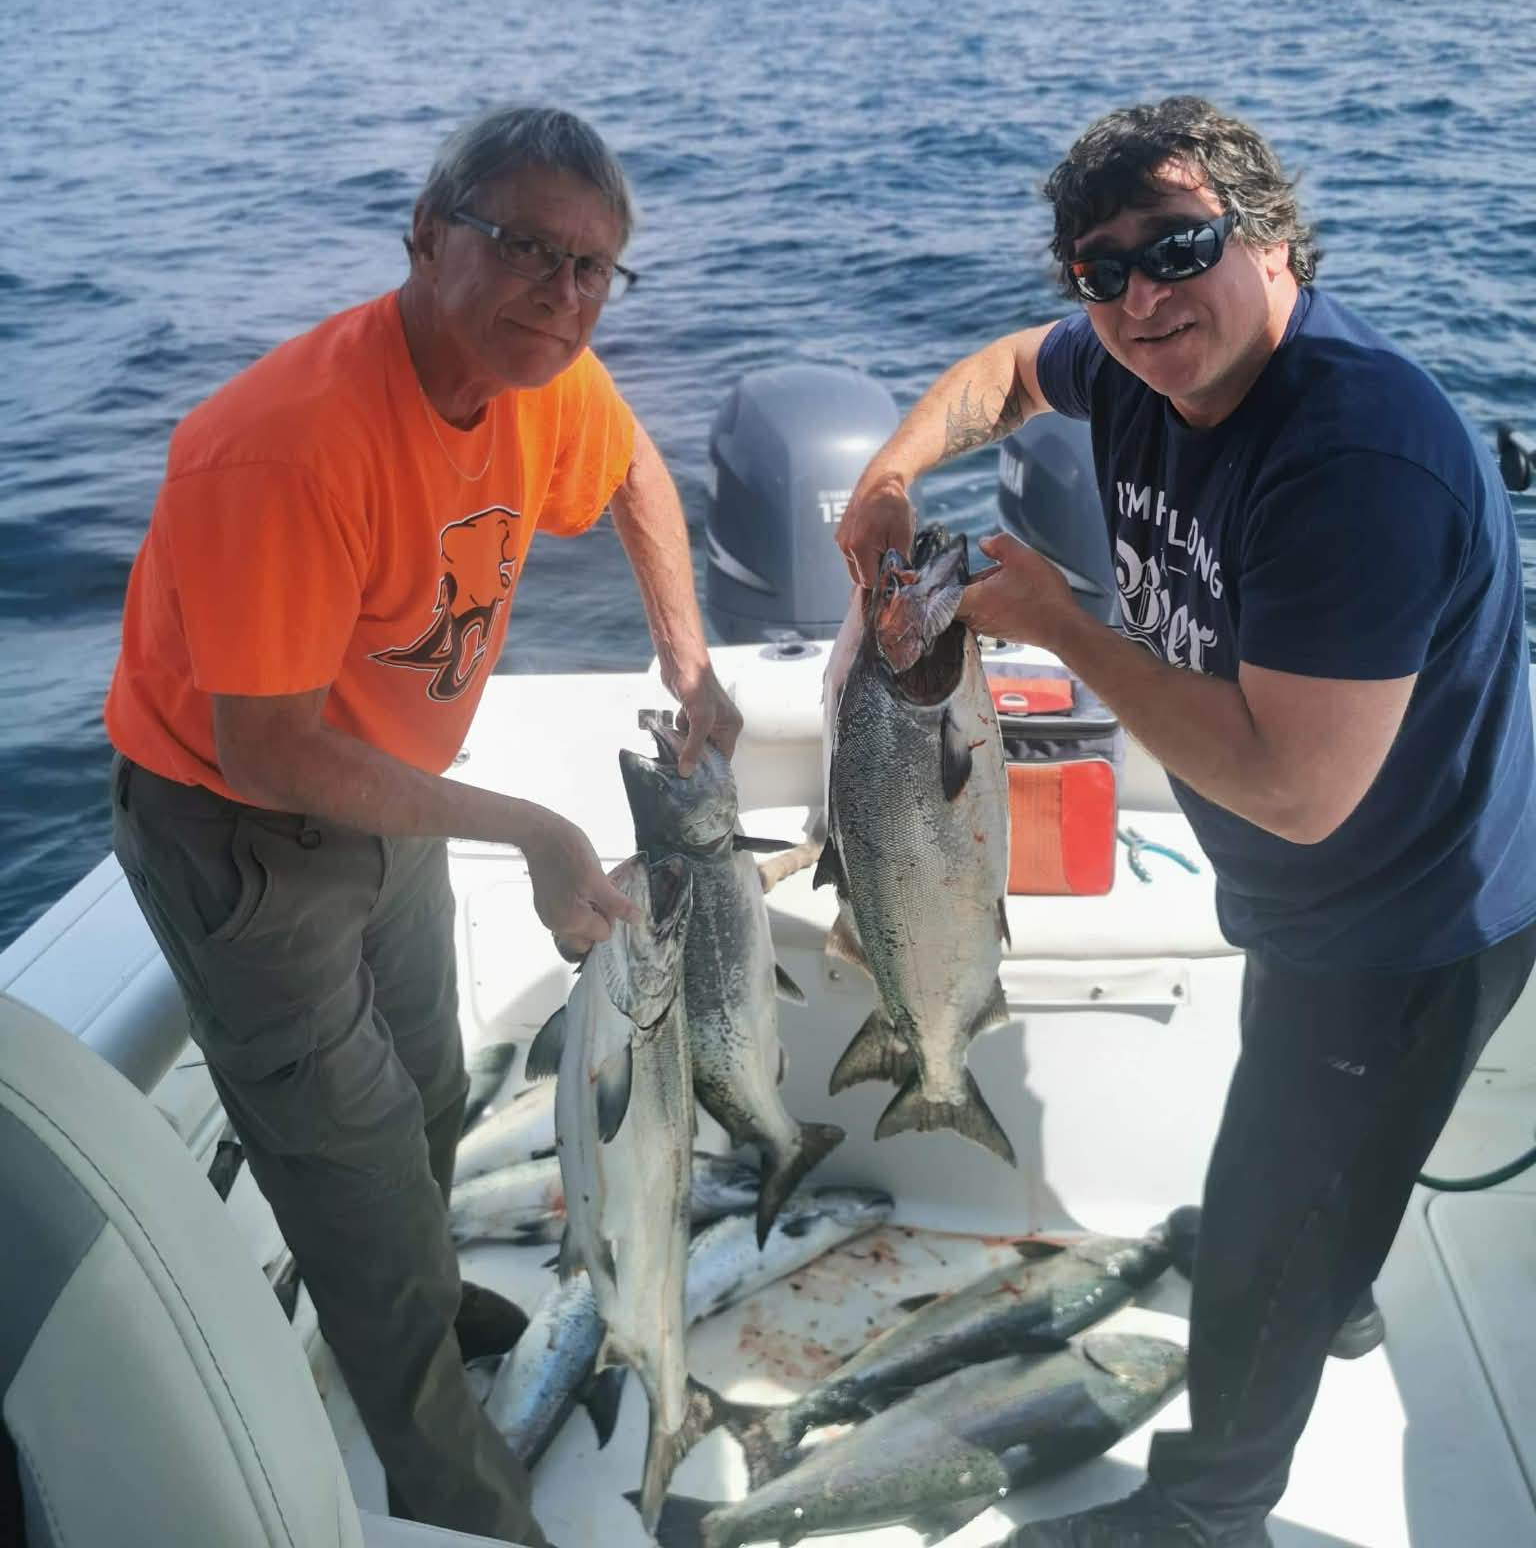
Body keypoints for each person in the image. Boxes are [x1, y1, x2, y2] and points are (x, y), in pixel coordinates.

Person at [837, 95, 1536, 1548]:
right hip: (1305, 891)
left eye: (1179, 247)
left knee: (1284, 1185)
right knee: (1305, 1160)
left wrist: (1057, 622)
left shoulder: (1356, 456)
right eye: (1101, 272)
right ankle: (1325, 1279)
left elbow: (1299, 788)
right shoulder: (1136, 363)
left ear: (1271, 239)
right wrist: (894, 473)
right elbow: (995, 379)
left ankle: (1212, 1509)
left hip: (1405, 916)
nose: (1143, 300)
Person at [104, 103, 741, 1545]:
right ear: (424, 236)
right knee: (361, 1188)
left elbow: (635, 467)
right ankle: (459, 1502)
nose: (562, 296)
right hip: (242, 834)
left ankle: (430, 1303)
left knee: (437, 1093)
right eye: (525, 249)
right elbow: (260, 749)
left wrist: (687, 655)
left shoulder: (543, 382)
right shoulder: (282, 445)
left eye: (594, 270)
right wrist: (529, 829)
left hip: (384, 790)